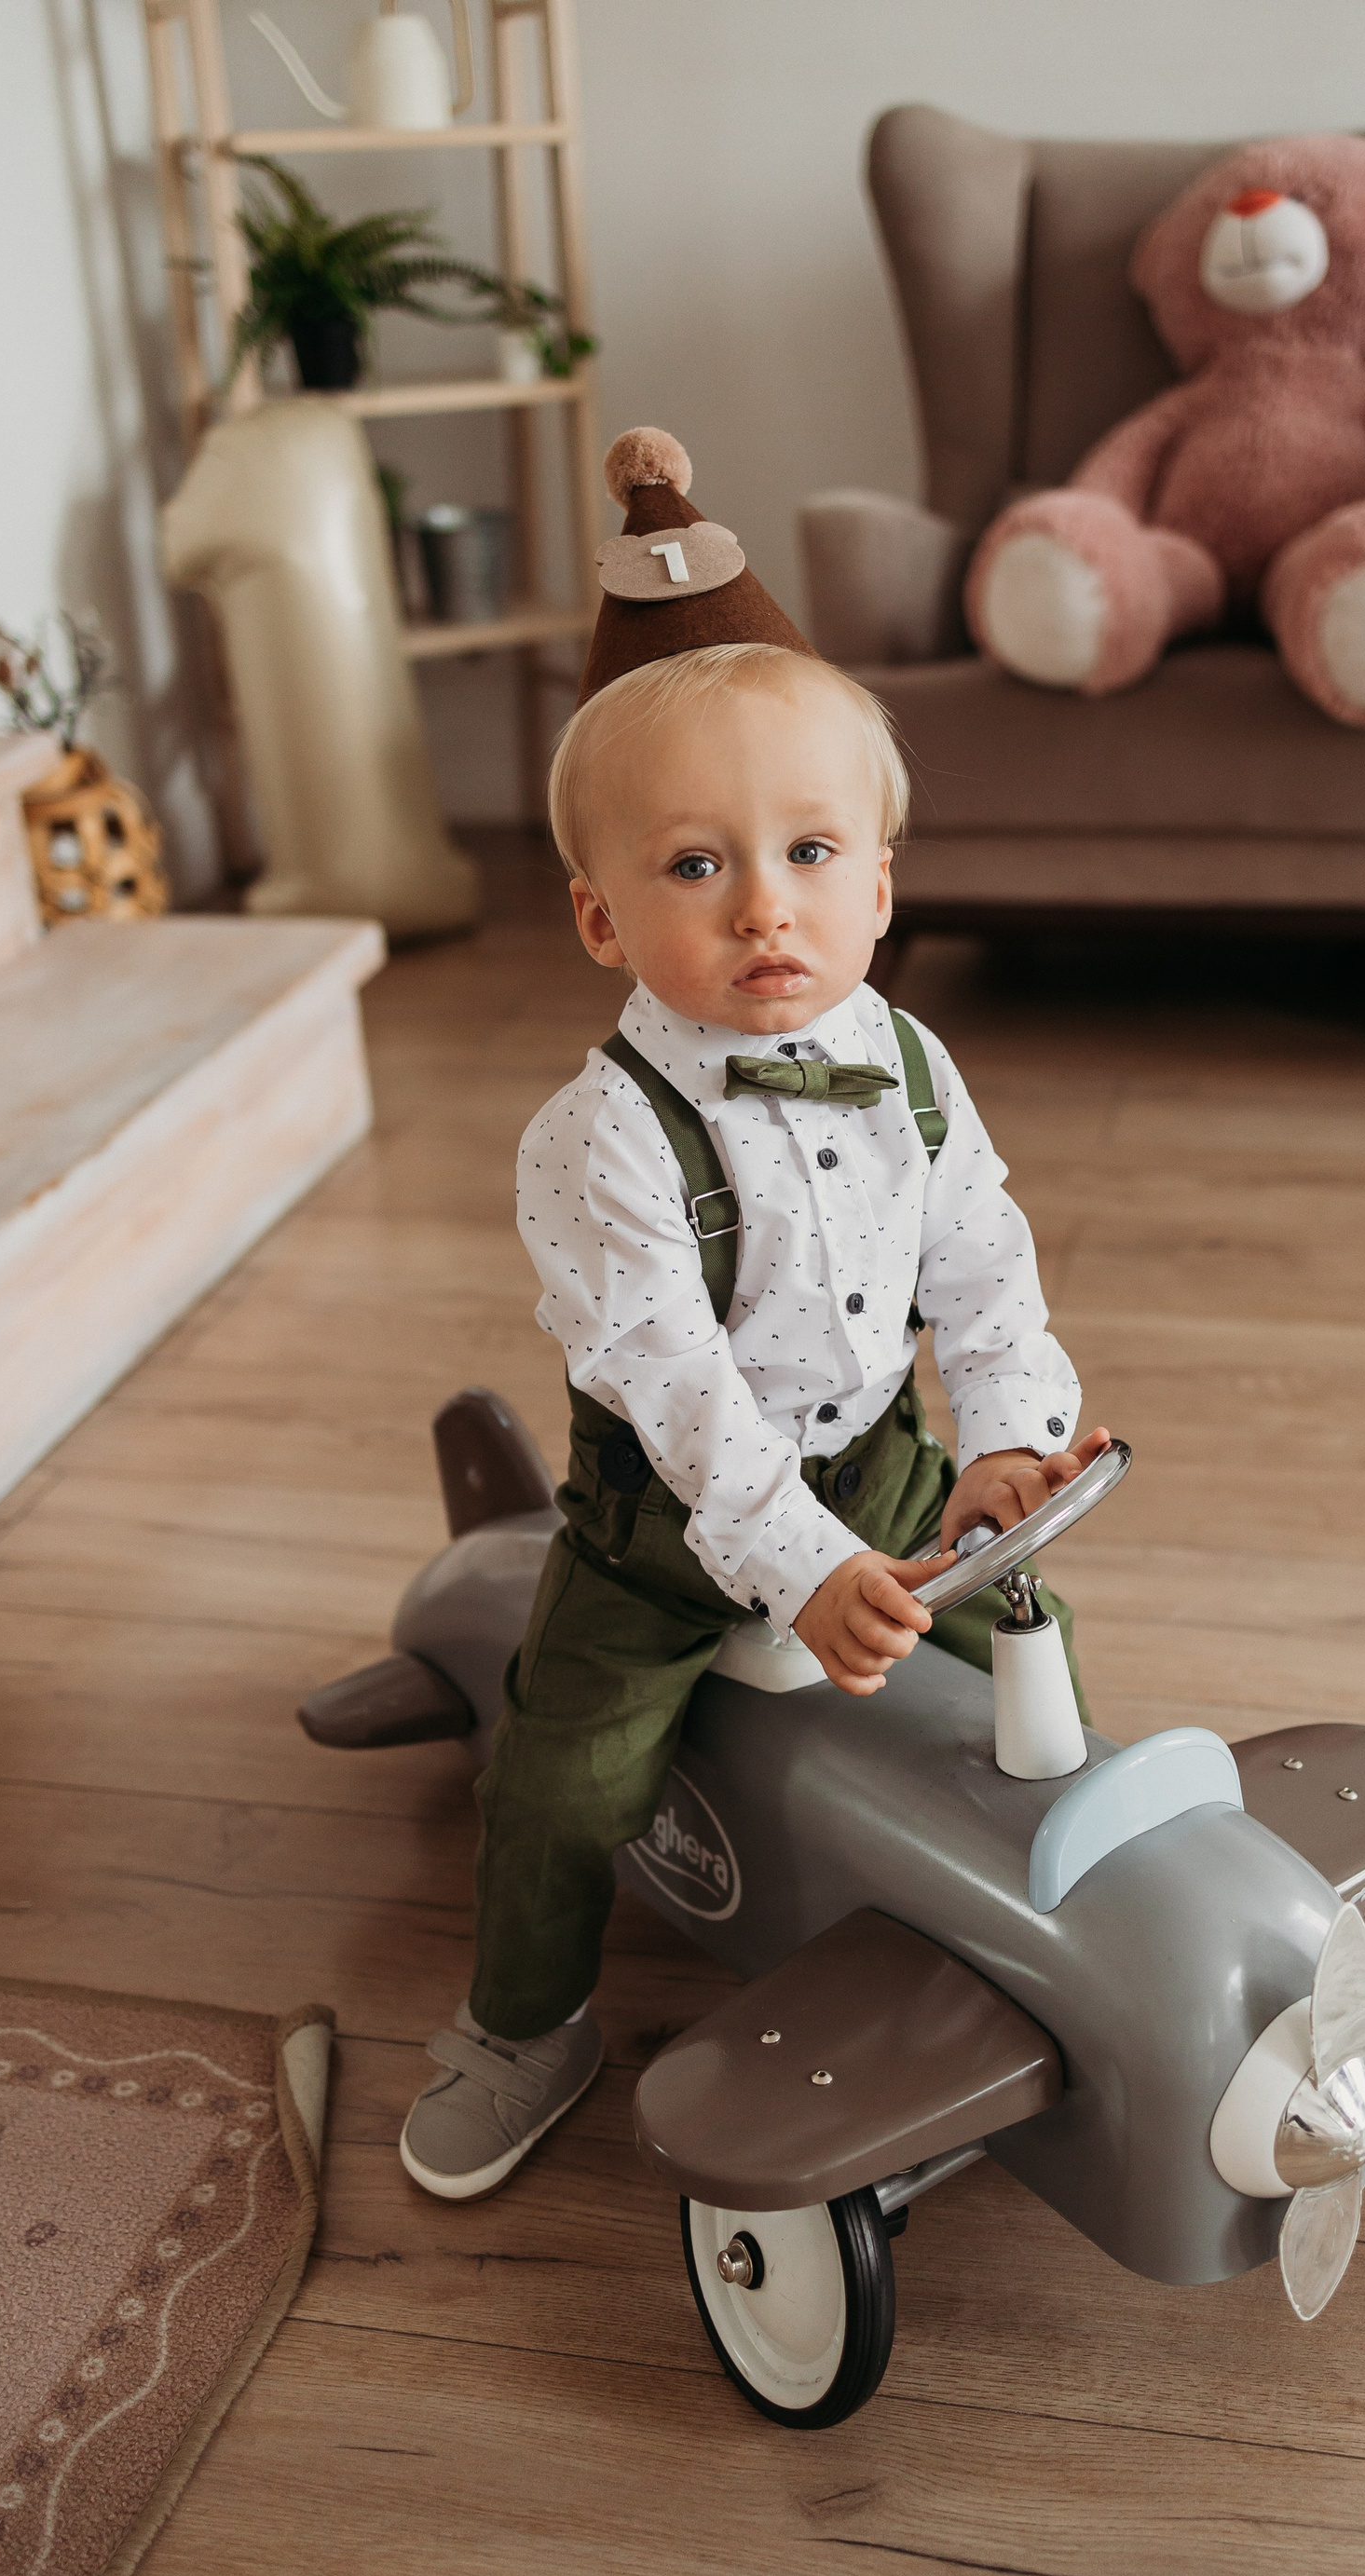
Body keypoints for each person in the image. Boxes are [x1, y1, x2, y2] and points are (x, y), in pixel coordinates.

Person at [401, 430, 1107, 2199]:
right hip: (667, 1528)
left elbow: (981, 1260)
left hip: (880, 1465)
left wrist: (1006, 1440)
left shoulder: (910, 1061)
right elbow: (683, 1394)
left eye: (808, 851)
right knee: (563, 1789)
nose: (770, 907)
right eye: (697, 867)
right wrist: (801, 1571)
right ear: (598, 915)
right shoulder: (598, 1140)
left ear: (882, 882)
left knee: (1033, 1654)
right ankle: (521, 2021)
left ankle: (1056, 1924)